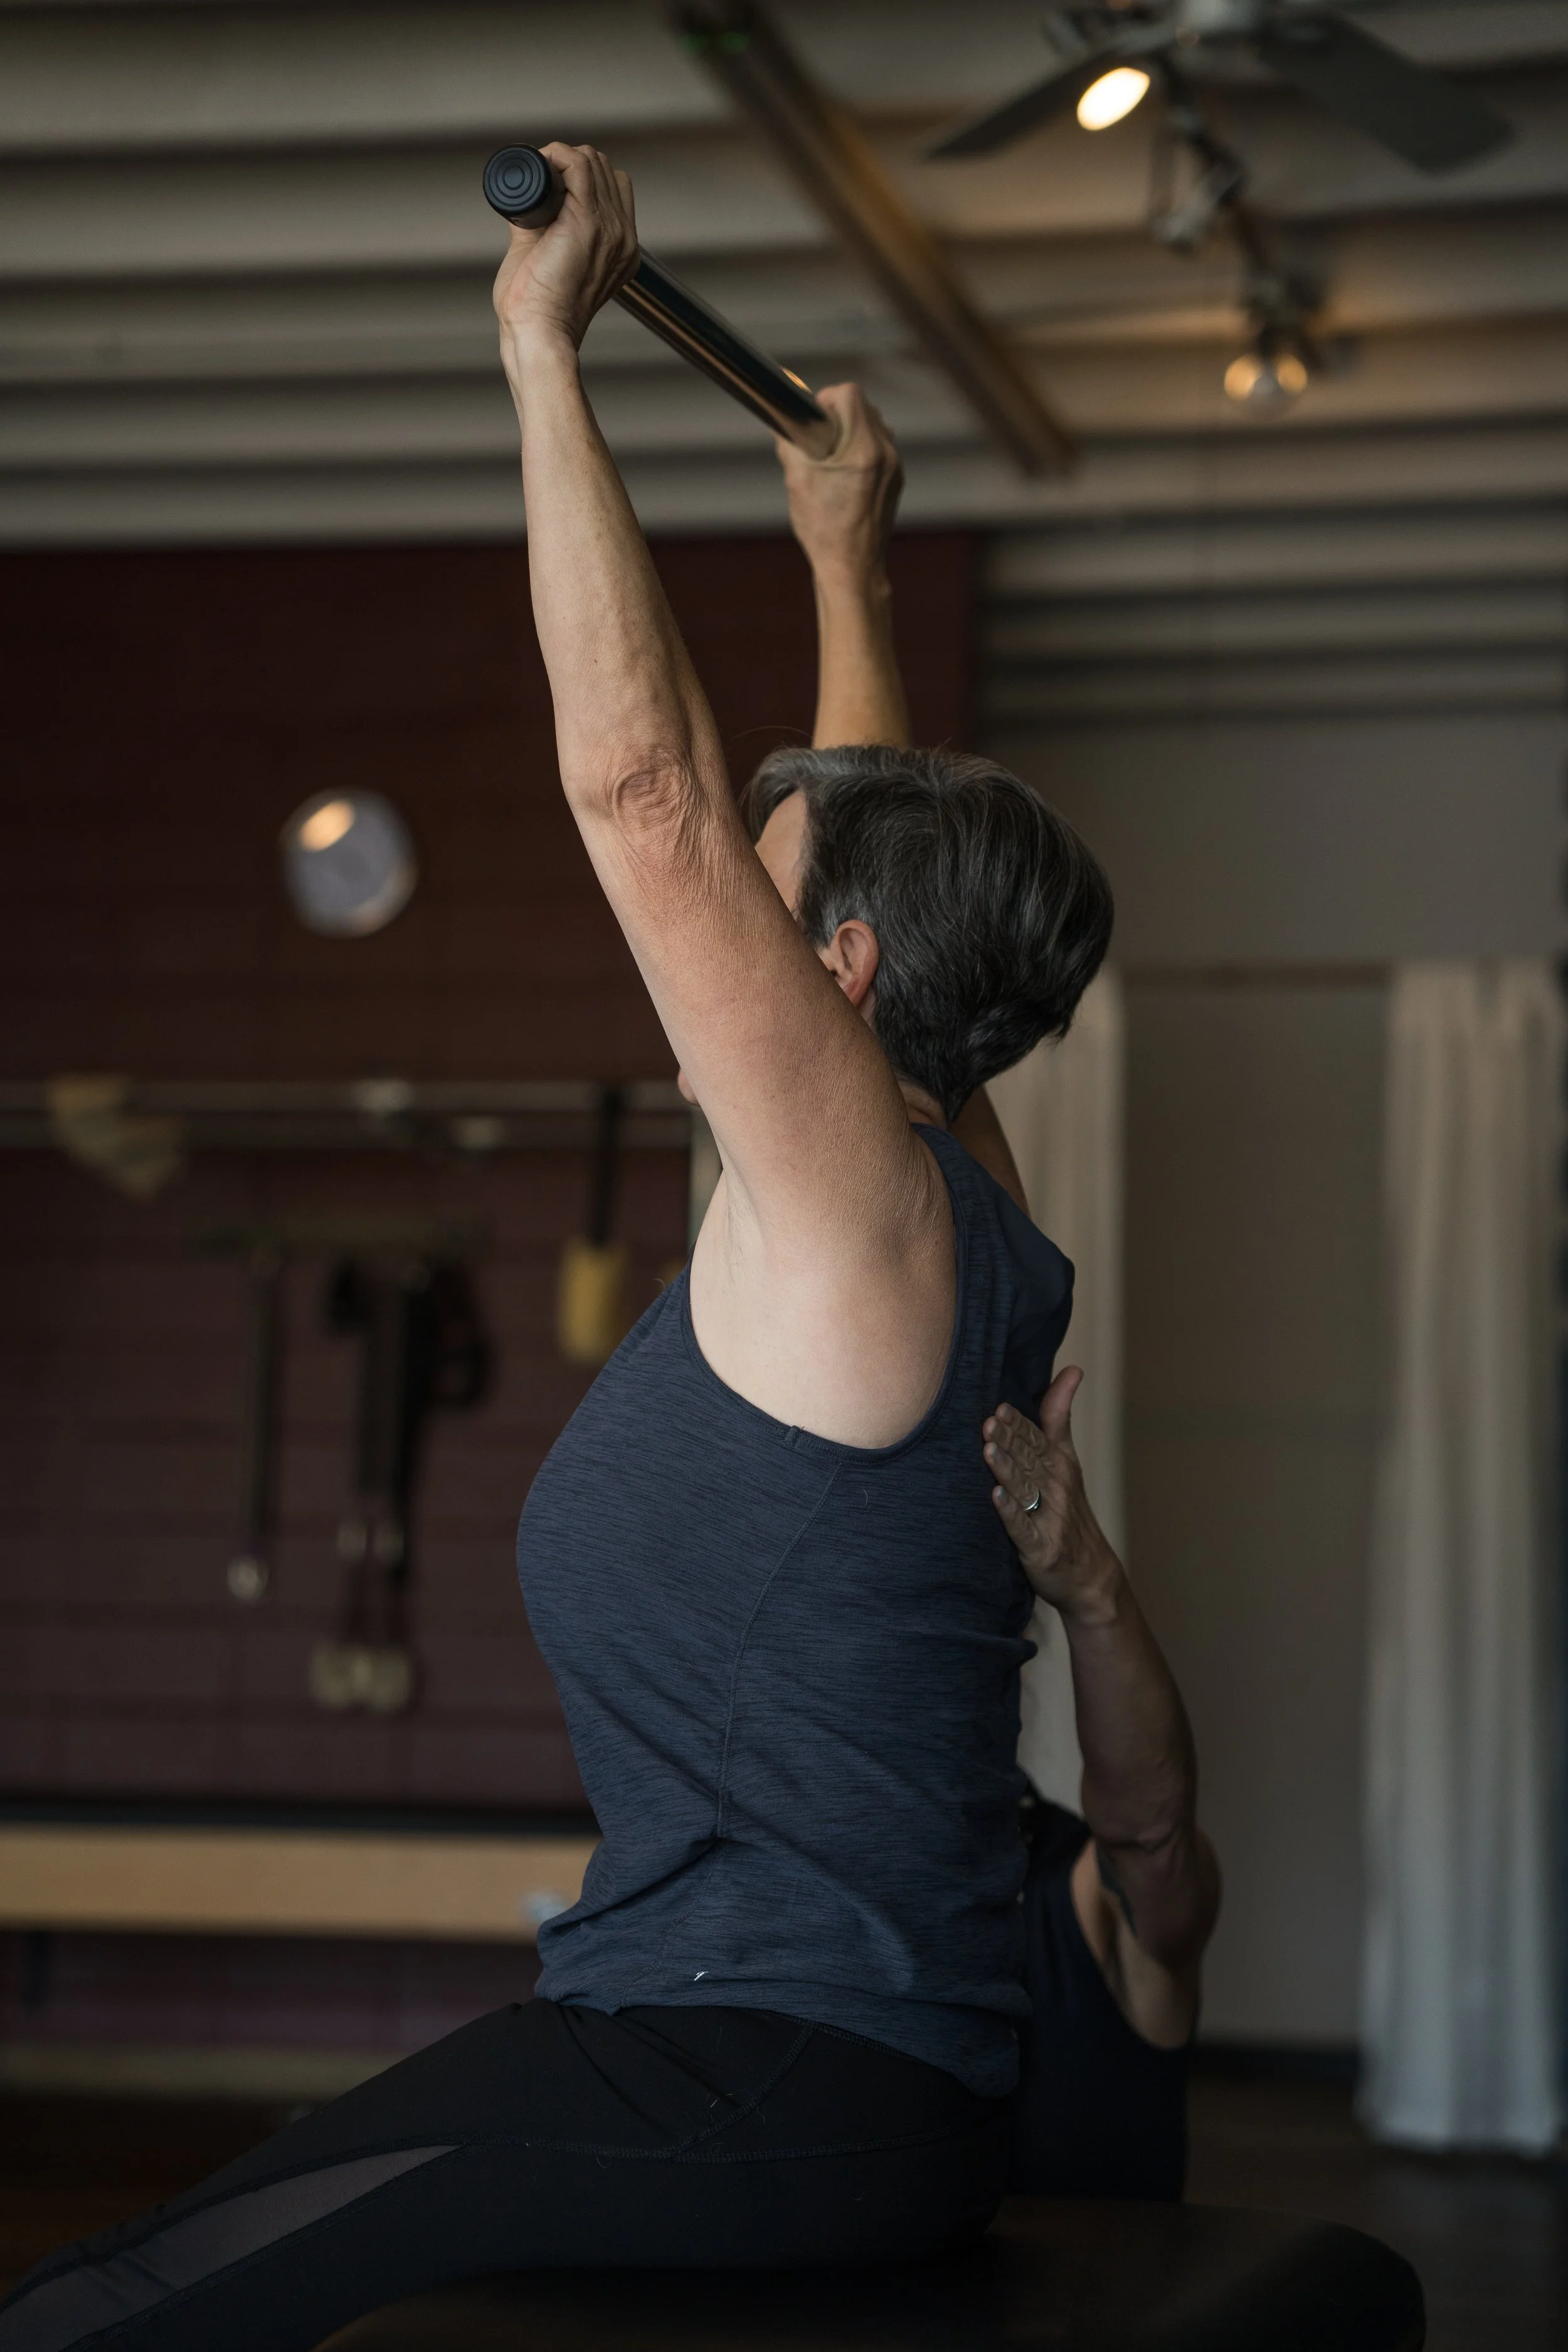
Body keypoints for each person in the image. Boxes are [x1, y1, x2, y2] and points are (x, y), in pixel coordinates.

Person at [0, 148, 1115, 2352]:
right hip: (823, 2056)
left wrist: (542, 357)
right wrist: (840, 549)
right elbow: (831, 819)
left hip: (768, 2061)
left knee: (98, 2313)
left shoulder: (858, 1200)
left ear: (844, 971)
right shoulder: (945, 1177)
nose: (721, 956)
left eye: (773, 920)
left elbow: (649, 801)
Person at [765, 385, 1221, 2201]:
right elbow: (880, 969)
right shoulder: (953, 1244)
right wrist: (844, 560)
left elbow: (1159, 1832)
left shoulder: (1089, 1896)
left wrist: (1090, 1579)